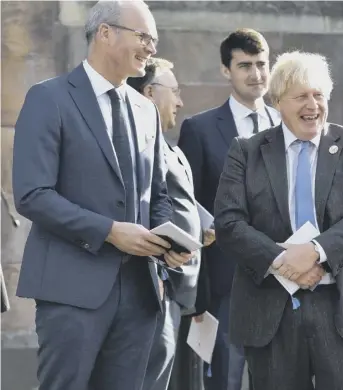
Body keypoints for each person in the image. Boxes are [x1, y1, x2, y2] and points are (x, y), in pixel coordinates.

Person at [11, 2, 193, 389]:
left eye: (154, 40)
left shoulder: (146, 111)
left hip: (141, 295)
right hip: (71, 290)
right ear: (105, 33)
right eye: (143, 36)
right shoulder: (49, 98)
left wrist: (167, 243)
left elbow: (157, 195)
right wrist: (109, 230)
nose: (151, 48)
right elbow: (33, 194)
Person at [213, 50, 343, 390]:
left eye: (319, 95)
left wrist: (315, 251)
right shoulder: (246, 151)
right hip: (271, 310)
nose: (313, 105)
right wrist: (282, 260)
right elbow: (229, 223)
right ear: (278, 101)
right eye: (301, 96)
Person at [177, 28, 279, 390]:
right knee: (225, 379)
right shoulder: (200, 129)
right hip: (223, 282)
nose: (256, 74)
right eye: (245, 65)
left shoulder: (288, 125)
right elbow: (186, 203)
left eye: (262, 64)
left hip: (281, 278)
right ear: (226, 70)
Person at [127, 57, 210, 390]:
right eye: (174, 91)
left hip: (178, 290)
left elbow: (177, 203)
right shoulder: (138, 146)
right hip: (154, 286)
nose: (179, 101)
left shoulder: (170, 147)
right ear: (149, 92)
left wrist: (201, 225)